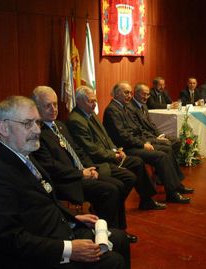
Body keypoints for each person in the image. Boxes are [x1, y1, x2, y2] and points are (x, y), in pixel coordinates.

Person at [0, 96, 130, 269]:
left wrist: (72, 219)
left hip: (52, 233)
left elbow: (43, 202)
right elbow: (10, 238)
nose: (37, 130)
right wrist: (70, 249)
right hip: (28, 258)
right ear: (4, 128)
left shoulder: (23, 154)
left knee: (120, 239)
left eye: (37, 123)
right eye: (28, 123)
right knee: (114, 262)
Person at [31, 86, 137, 240]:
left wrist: (89, 168)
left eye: (55, 104)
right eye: (48, 105)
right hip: (65, 181)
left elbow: (78, 150)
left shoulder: (59, 126)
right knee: (110, 190)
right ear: (36, 107)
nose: (54, 109)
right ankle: (109, 235)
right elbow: (50, 167)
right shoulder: (37, 133)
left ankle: (118, 230)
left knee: (119, 185)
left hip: (81, 173)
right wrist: (81, 173)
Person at [66, 86, 166, 211]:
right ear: (79, 101)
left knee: (138, 162)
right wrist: (114, 155)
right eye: (90, 101)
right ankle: (107, 206)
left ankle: (145, 200)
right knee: (130, 177)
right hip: (96, 162)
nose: (94, 105)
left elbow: (106, 136)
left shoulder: (90, 114)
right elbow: (91, 149)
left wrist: (116, 150)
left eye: (95, 101)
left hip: (108, 155)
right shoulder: (76, 120)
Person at [103, 81, 193, 204]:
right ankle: (172, 193)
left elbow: (137, 129)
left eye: (130, 93)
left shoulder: (123, 107)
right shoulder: (112, 110)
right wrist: (142, 144)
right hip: (125, 148)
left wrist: (147, 140)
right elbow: (122, 136)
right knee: (161, 155)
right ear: (117, 94)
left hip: (135, 143)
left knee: (167, 148)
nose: (129, 95)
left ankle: (176, 186)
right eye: (126, 92)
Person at [128, 83, 182, 156]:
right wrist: (156, 138)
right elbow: (139, 129)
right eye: (144, 94)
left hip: (153, 135)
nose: (146, 97)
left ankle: (171, 164)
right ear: (136, 93)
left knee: (177, 141)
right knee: (168, 143)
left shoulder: (143, 105)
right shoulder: (130, 107)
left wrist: (160, 135)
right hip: (144, 138)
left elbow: (151, 124)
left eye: (148, 94)